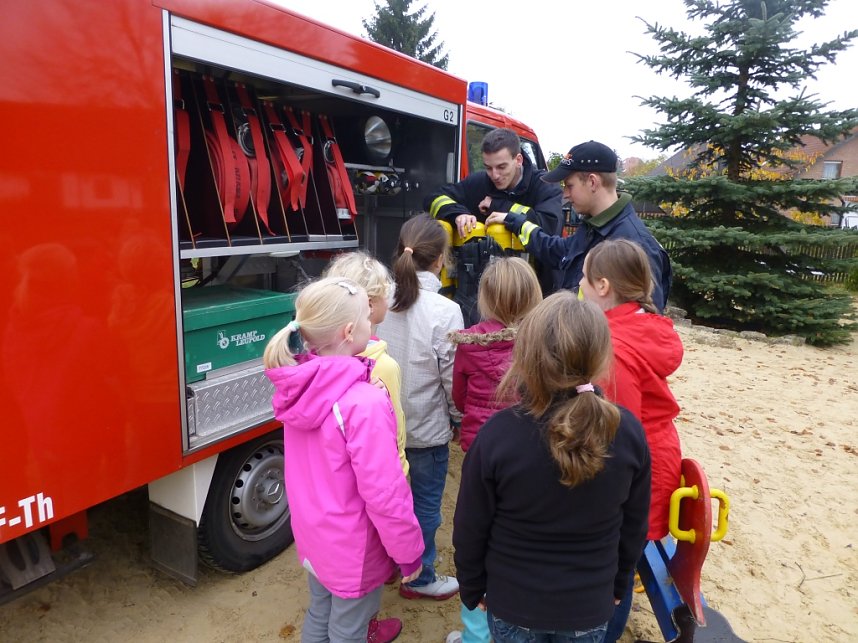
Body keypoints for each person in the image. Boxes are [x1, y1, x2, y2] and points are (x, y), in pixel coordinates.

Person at [453, 292, 651, 643]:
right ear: (600, 357)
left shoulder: (498, 436)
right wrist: (619, 582)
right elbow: (633, 526)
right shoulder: (628, 432)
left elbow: (471, 524)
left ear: (526, 357)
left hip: (513, 600)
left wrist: (472, 586)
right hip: (589, 603)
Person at [263, 277, 424, 643]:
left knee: (320, 610)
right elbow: (384, 492)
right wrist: (409, 552)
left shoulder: (300, 386)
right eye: (369, 320)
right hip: (355, 550)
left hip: (315, 536)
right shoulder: (362, 404)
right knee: (349, 629)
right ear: (351, 331)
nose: (373, 325)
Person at [578, 239, 684, 643]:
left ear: (603, 285)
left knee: (613, 564)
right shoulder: (644, 325)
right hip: (658, 454)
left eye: (585, 278)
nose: (580, 285)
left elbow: (618, 432)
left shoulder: (614, 347)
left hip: (638, 468)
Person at [446, 256, 543, 643]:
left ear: (485, 298)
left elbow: (459, 395)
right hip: (529, 454)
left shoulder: (470, 342)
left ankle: (475, 635)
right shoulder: (541, 341)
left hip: (480, 450)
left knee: (476, 535)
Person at [376, 213, 464, 601]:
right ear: (440, 259)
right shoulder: (445, 310)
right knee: (426, 505)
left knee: (385, 501)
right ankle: (422, 574)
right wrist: (459, 420)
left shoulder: (380, 302)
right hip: (427, 430)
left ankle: (387, 565)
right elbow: (451, 378)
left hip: (381, 428)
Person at [485, 140, 672, 312]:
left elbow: (642, 327)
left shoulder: (635, 244)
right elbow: (556, 250)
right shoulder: (593, 227)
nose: (565, 194)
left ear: (592, 182)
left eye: (569, 185)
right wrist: (516, 223)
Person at [425, 127, 563, 295]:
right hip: (482, 291)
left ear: (518, 160)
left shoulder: (544, 185)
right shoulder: (479, 183)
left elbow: (547, 225)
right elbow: (434, 198)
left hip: (535, 291)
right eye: (488, 168)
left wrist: (498, 206)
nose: (495, 175)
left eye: (501, 167)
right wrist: (458, 214)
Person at [324, 251, 408, 477]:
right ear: (369, 304)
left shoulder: (321, 357)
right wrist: (402, 473)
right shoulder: (382, 366)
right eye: (385, 293)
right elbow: (394, 436)